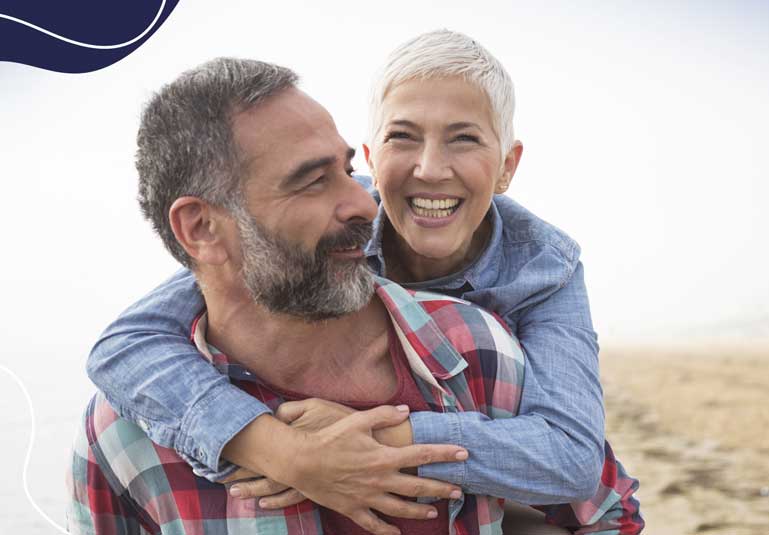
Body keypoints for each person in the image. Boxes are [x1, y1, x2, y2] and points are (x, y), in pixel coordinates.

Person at [67, 57, 642, 534]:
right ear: (375, 156)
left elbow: (577, 467)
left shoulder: (510, 319)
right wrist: (284, 451)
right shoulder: (126, 429)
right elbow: (127, 341)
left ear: (507, 167)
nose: (430, 169)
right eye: (315, 179)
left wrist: (390, 441)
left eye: (464, 139)